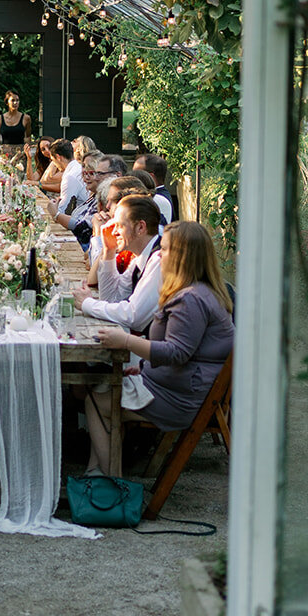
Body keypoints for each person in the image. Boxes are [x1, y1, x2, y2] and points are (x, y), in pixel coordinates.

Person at [82, 221, 234, 475]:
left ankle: (110, 481)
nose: (159, 255)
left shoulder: (191, 299)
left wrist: (126, 342)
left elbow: (176, 353)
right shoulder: (200, 290)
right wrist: (142, 366)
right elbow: (182, 350)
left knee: (96, 398)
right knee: (101, 384)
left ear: (183, 256)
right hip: (182, 386)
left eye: (164, 249)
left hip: (181, 397)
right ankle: (95, 477)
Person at [73, 194, 163, 332]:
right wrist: (108, 251)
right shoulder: (139, 258)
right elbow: (111, 298)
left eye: (119, 225)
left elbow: (134, 316)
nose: (113, 232)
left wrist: (87, 304)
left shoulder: (159, 259)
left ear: (140, 228)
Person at [0, 89, 32, 175]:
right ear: (7, 102)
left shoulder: (26, 118)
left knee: (18, 181)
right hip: (4, 154)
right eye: (13, 100)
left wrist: (26, 153)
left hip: (20, 154)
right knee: (4, 179)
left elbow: (28, 137)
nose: (15, 103)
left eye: (17, 100)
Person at [134, 153, 179, 221]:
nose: (131, 177)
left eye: (136, 173)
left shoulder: (156, 199)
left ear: (150, 177)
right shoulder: (161, 195)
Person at [49, 137, 87, 215]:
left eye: (53, 160)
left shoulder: (70, 177)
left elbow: (61, 212)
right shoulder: (77, 168)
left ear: (58, 157)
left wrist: (52, 207)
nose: (54, 164)